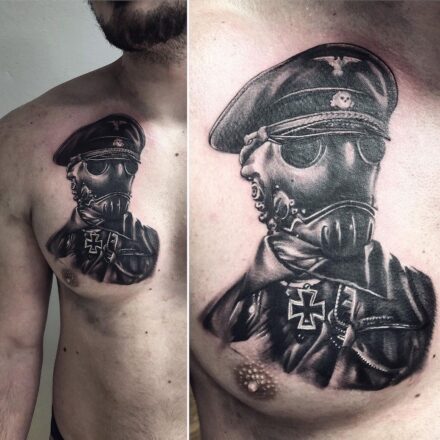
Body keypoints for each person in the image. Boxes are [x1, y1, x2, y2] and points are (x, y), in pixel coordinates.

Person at [190, 0, 440, 438]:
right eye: (306, 150)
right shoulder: (229, 312)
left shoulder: (411, 296)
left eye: (368, 148)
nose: (346, 172)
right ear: (254, 167)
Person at [0, 1, 186, 439]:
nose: (114, 180)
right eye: (99, 168)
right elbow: (10, 346)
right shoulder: (21, 144)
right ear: (75, 176)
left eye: (122, 168)